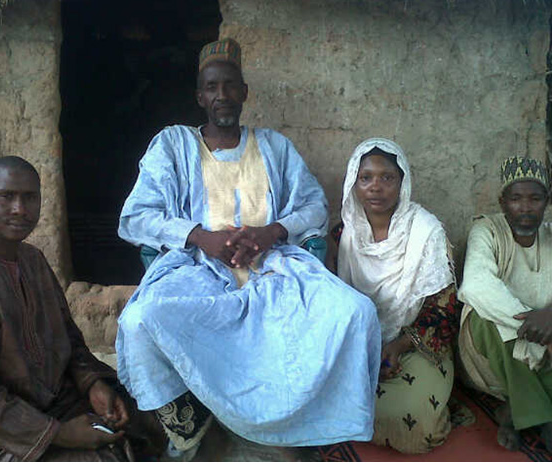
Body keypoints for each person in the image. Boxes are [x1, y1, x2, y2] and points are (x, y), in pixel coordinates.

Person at [116, 37, 381, 459]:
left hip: (272, 267)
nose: (222, 95)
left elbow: (314, 205)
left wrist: (270, 233)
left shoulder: (274, 146)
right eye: (212, 87)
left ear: (244, 93)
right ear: (200, 96)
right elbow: (135, 218)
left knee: (356, 312)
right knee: (140, 321)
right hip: (198, 268)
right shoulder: (173, 146)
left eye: (230, 86)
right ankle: (195, 429)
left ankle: (308, 427)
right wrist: (203, 237)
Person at [0, 156, 163, 461]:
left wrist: (92, 383)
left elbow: (69, 340)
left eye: (30, 197)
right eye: (6, 196)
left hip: (55, 398)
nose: (19, 209)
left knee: (143, 412)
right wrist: (57, 433)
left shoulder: (33, 260)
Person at [336, 138, 459, 454]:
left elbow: (443, 310)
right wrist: (367, 349)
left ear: (402, 183)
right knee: (322, 392)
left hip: (415, 344)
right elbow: (334, 303)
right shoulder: (344, 233)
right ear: (354, 182)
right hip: (359, 343)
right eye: (366, 178)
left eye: (387, 178)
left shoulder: (426, 232)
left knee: (409, 422)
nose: (375, 187)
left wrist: (397, 346)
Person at [458, 156, 551, 452]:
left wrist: (550, 316)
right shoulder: (486, 230)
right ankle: (545, 418)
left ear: (546, 202)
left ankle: (516, 411)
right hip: (489, 352)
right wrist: (532, 325)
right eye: (516, 198)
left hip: (546, 340)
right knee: (488, 319)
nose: (525, 207)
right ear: (502, 202)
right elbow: (476, 286)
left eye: (535, 198)